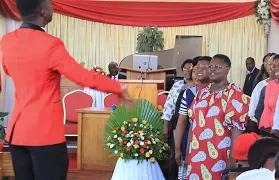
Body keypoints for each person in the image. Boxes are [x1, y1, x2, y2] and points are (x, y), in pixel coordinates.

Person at [0, 0, 133, 179]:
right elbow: (82, 77)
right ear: (43, 11)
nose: (52, 7)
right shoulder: (50, 44)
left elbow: (8, 70)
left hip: (17, 133)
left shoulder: (7, 40)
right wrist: (118, 87)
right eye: (50, 4)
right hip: (45, 134)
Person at [185, 54, 250, 179]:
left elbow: (237, 129)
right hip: (196, 156)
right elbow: (193, 124)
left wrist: (232, 159)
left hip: (220, 159)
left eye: (217, 66)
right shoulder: (202, 92)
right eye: (211, 66)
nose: (212, 69)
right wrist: (189, 152)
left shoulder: (235, 94)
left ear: (227, 70)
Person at [174, 56, 212, 180]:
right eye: (196, 68)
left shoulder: (218, 93)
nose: (199, 70)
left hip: (212, 146)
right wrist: (178, 148)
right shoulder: (188, 92)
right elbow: (182, 122)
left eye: (204, 67)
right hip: (189, 143)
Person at [162, 58, 194, 180]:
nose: (188, 71)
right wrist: (165, 126)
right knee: (175, 154)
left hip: (191, 125)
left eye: (190, 69)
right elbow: (168, 106)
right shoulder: (177, 86)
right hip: (176, 125)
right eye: (185, 68)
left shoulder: (198, 87)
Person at [259, 54, 279, 131]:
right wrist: (264, 127)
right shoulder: (270, 85)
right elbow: (266, 109)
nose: (276, 69)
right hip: (269, 128)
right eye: (274, 66)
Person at [247, 53, 275, 131]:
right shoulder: (261, 85)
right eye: (268, 63)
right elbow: (253, 109)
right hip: (263, 127)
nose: (272, 66)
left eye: (274, 64)